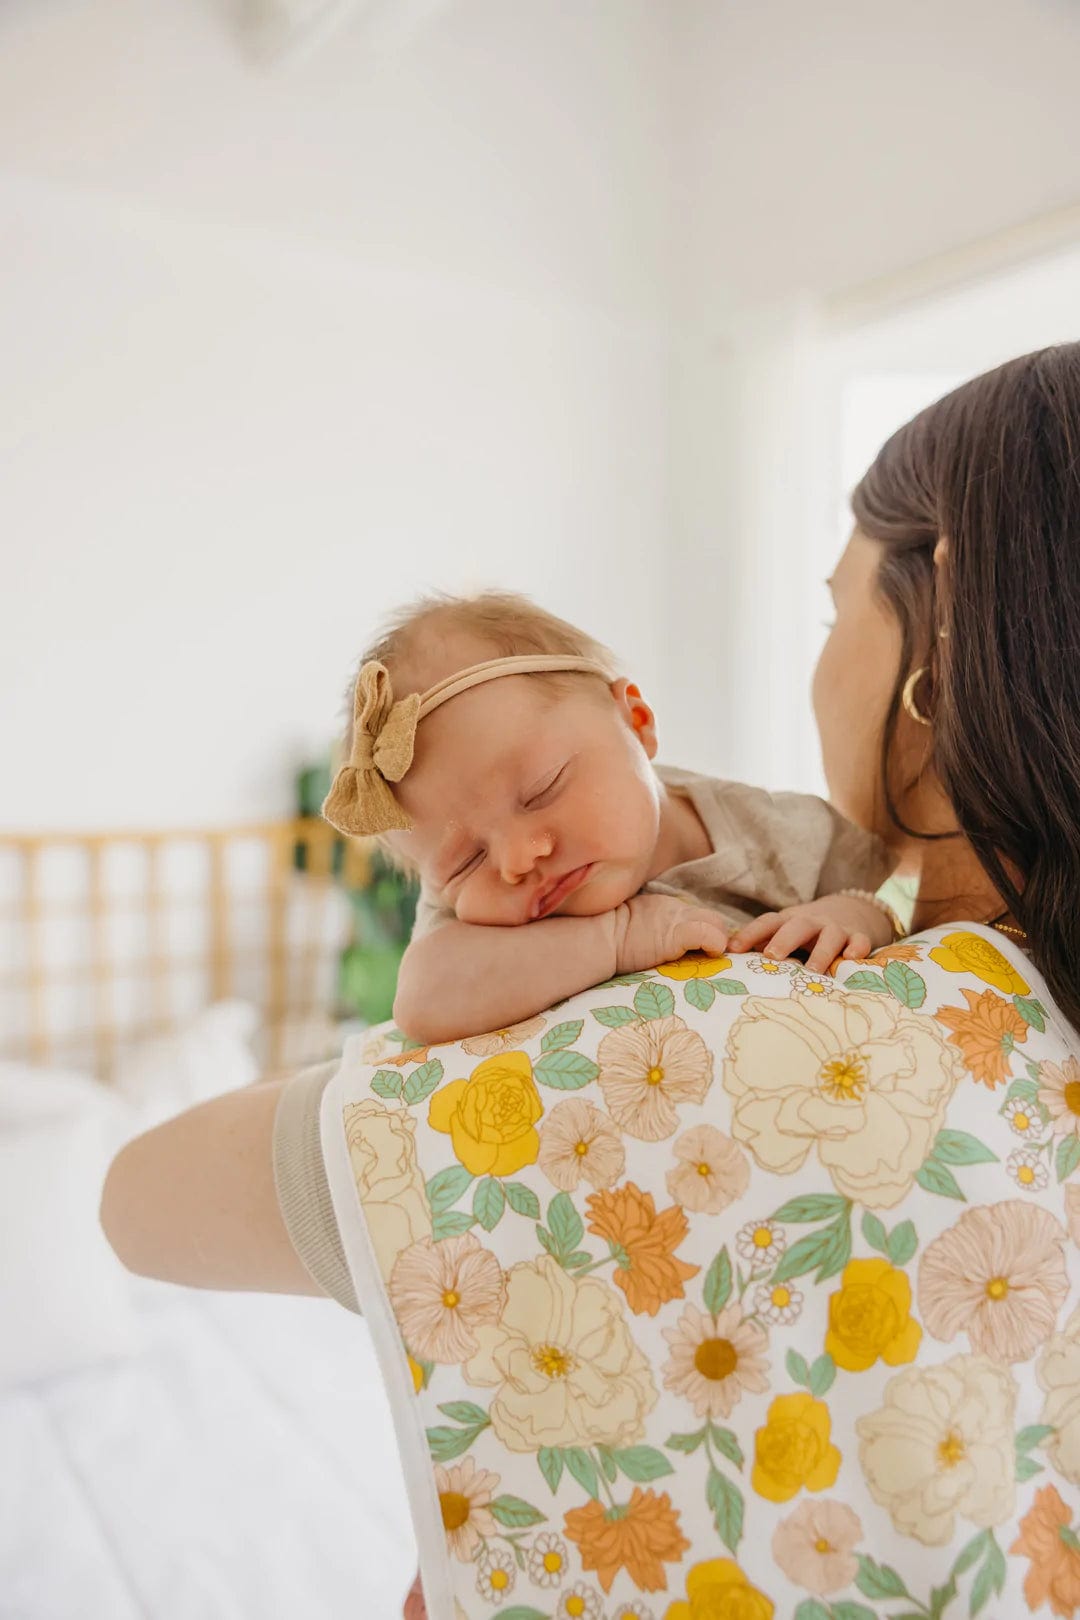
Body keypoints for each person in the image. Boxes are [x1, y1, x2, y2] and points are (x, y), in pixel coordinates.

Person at [101, 343, 1080, 1620]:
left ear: (939, 635)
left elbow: (136, 1200)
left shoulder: (713, 1030)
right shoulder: (1026, 1012)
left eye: (834, 608)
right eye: (459, 860)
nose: (520, 858)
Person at [323, 589, 900, 1052]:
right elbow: (423, 1000)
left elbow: (894, 903)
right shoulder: (471, 925)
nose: (517, 859)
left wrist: (853, 915)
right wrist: (616, 939)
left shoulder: (774, 832)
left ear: (637, 721)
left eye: (542, 789)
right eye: (467, 861)